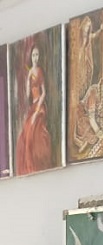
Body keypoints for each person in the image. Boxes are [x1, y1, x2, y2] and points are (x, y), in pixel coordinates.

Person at [16, 44, 52, 175]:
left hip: (40, 106)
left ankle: (36, 166)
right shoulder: (30, 72)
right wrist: (27, 79)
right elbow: (27, 95)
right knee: (25, 132)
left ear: (39, 56)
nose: (35, 58)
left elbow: (43, 93)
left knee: (33, 129)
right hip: (33, 106)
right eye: (33, 55)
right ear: (30, 57)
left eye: (37, 55)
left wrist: (37, 111)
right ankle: (29, 168)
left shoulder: (40, 71)